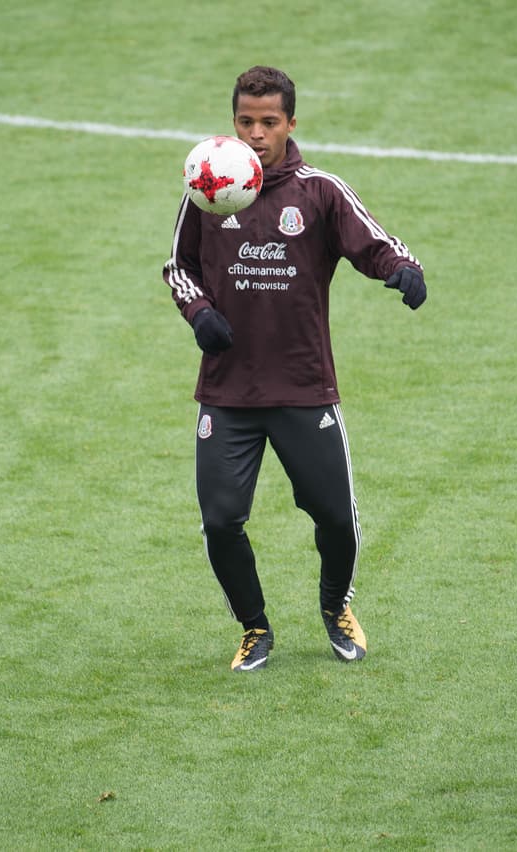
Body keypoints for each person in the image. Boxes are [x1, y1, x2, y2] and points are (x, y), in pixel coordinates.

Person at [162, 66, 427, 672]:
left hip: (304, 389)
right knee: (221, 520)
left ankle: (335, 607)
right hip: (228, 394)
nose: (256, 134)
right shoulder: (207, 185)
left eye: (269, 123)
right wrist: (198, 310)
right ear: (233, 121)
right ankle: (254, 626)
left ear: (290, 124)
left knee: (336, 516)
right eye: (246, 121)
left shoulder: (319, 191)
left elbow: (374, 242)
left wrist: (401, 270)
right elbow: (178, 267)